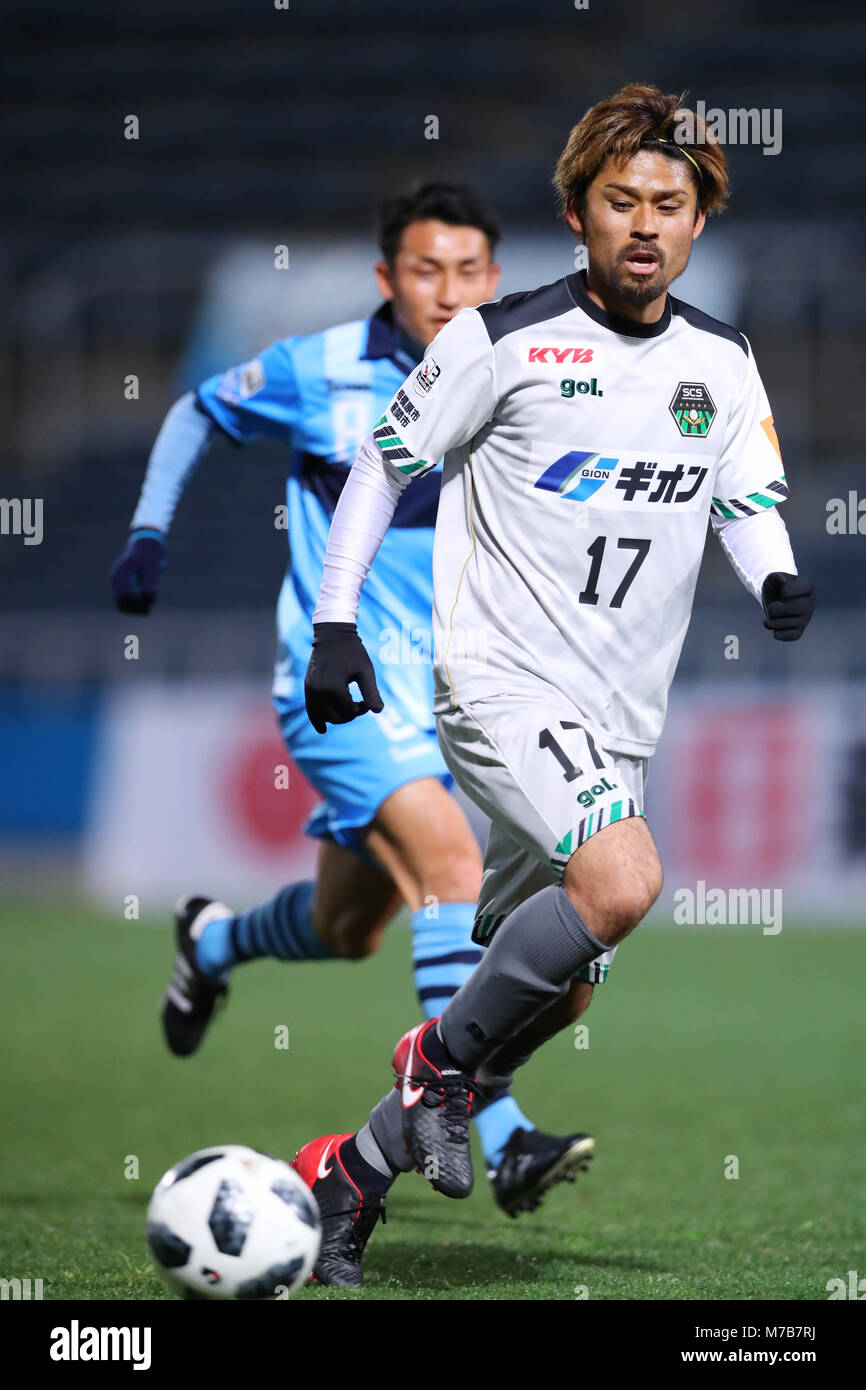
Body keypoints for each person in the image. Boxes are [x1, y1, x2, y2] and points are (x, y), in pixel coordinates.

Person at [296, 83, 815, 1286]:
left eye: (668, 204)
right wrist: (336, 625)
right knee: (624, 877)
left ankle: (348, 1174)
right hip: (499, 682)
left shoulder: (722, 362)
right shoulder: (498, 339)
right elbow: (379, 471)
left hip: (617, 719)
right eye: (618, 200)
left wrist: (774, 573)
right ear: (575, 214)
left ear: (697, 223)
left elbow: (743, 499)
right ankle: (434, 1067)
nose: (644, 223)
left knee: (555, 993)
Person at [109, 183, 593, 1256]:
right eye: (426, 271)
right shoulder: (315, 368)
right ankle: (495, 1124)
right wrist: (148, 531)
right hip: (335, 681)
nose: (449, 291)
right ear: (388, 279)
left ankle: (213, 940)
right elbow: (196, 410)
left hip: (452, 695)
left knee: (347, 928)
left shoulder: (515, 372)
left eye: (470, 272)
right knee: (449, 864)